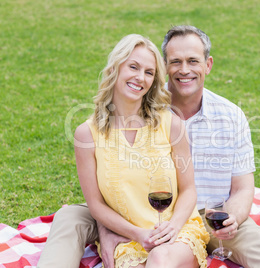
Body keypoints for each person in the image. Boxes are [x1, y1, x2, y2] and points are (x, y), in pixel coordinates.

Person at [38, 26, 260, 268]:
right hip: (129, 212)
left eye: (193, 61)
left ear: (208, 65)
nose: (184, 70)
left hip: (202, 215)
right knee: (69, 217)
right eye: (175, 62)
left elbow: (243, 188)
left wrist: (230, 218)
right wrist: (106, 230)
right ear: (166, 68)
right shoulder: (139, 105)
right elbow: (99, 197)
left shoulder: (227, 116)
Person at [40, 33, 210, 268]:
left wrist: (173, 227)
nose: (140, 78)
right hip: (129, 238)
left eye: (149, 72)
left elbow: (189, 189)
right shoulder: (86, 135)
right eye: (133, 67)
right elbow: (96, 205)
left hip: (177, 232)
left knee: (160, 259)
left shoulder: (171, 124)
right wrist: (137, 234)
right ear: (115, 68)